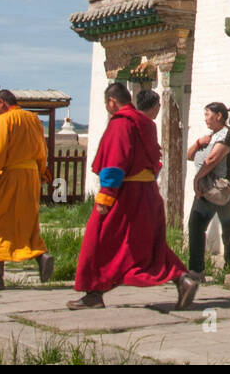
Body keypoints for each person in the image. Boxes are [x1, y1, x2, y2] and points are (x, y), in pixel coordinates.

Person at [68, 83, 197, 310]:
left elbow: (116, 160)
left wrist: (107, 195)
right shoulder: (145, 122)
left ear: (111, 102)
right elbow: (154, 158)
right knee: (146, 244)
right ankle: (181, 278)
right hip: (147, 192)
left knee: (97, 240)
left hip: (125, 194)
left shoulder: (121, 124)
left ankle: (94, 294)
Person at [0, 90, 54, 290]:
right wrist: (41, 172)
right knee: (26, 221)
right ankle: (41, 256)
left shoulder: (5, 120)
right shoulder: (33, 119)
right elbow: (42, 148)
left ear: (2, 102)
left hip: (11, 175)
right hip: (31, 176)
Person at [186, 101, 230, 278]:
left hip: (223, 189)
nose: (206, 119)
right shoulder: (212, 136)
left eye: (207, 114)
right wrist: (198, 143)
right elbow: (189, 155)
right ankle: (196, 269)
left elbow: (211, 160)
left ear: (219, 116)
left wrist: (197, 178)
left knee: (228, 226)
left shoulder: (227, 136)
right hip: (207, 188)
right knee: (196, 224)